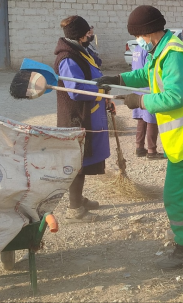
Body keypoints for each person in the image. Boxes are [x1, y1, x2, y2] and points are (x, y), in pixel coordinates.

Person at [95, 5, 183, 270]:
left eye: (137, 35)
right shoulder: (162, 49)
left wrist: (140, 100)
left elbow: (175, 97)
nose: (137, 41)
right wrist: (117, 78)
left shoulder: (172, 54)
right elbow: (146, 74)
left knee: (174, 195)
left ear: (147, 32)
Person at [54, 16, 112, 223]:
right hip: (76, 118)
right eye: (88, 31)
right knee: (78, 161)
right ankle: (74, 209)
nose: (91, 34)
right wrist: (101, 91)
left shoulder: (80, 51)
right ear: (81, 35)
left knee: (84, 159)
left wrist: (104, 97)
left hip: (87, 113)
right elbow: (76, 90)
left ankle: (78, 198)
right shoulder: (68, 59)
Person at [130, 43, 161, 160]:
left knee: (142, 120)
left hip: (137, 87)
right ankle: (152, 150)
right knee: (151, 120)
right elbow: (150, 70)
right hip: (148, 88)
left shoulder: (137, 48)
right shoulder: (148, 49)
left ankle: (139, 148)